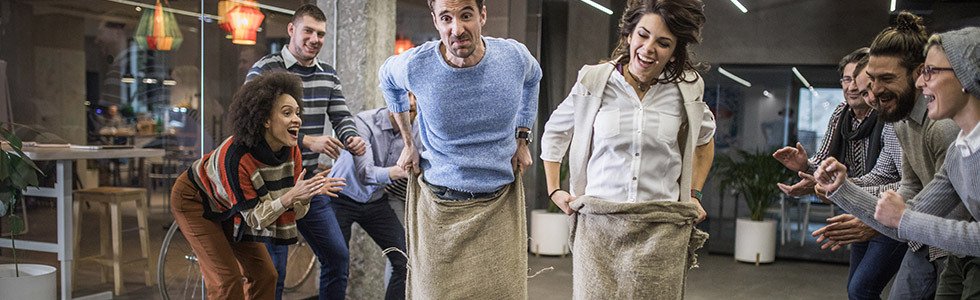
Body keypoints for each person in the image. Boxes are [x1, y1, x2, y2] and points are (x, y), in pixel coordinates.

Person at [540, 0, 712, 297]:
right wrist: (554, 189)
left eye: (663, 43)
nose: (648, 49)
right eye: (643, 35)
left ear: (674, 52)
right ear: (629, 35)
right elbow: (555, 132)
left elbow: (704, 142)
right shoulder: (595, 81)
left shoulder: (686, 89)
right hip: (600, 226)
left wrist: (694, 193)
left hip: (660, 226)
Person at [377, 0, 542, 297]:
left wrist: (522, 137)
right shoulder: (417, 64)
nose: (457, 29)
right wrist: (409, 142)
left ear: (483, 14)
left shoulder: (513, 57)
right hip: (440, 207)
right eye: (446, 18)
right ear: (435, 21)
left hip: (499, 206)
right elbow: (387, 79)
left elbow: (534, 78)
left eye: (466, 15)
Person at [815, 26, 980, 299]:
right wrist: (842, 189)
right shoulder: (957, 148)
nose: (920, 83)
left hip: (956, 250)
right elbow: (912, 207)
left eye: (930, 72)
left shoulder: (944, 132)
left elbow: (909, 217)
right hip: (950, 250)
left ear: (966, 76)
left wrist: (904, 219)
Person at [170, 72, 346, 300]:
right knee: (227, 281)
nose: (297, 120)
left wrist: (307, 194)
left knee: (265, 275)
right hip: (194, 199)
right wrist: (290, 196)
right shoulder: (236, 157)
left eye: (297, 113)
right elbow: (254, 218)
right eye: (287, 113)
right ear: (265, 119)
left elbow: (292, 209)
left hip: (229, 204)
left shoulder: (292, 152)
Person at [246, 4, 366, 299]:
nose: (315, 39)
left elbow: (341, 116)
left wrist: (352, 138)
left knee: (337, 258)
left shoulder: (328, 74)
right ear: (292, 30)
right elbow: (248, 127)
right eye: (308, 31)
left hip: (309, 181)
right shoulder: (265, 70)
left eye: (321, 34)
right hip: (271, 184)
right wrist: (308, 141)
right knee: (275, 271)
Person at [773, 48, 906, 299]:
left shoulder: (890, 118)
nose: (853, 87)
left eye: (862, 81)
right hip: (858, 209)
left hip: (891, 212)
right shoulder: (841, 114)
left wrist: (839, 189)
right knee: (856, 289)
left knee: (861, 289)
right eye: (847, 79)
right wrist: (807, 167)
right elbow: (824, 164)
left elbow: (911, 184)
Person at [328, 94, 418, 300]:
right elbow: (366, 173)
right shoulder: (364, 122)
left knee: (404, 260)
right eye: (406, 95)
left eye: (415, 96)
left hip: (375, 200)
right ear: (391, 99)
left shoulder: (418, 126)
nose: (412, 102)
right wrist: (399, 171)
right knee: (337, 264)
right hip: (340, 196)